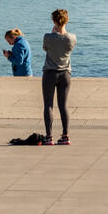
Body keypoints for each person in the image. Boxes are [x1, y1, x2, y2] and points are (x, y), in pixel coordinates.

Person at [41, 9, 77, 144]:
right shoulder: (72, 38)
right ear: (67, 20)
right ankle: (65, 136)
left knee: (48, 106)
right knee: (63, 106)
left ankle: (49, 137)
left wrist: (52, 33)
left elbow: (46, 48)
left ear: (53, 21)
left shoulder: (48, 37)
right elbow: (69, 48)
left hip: (50, 73)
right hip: (65, 74)